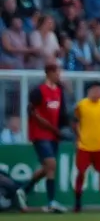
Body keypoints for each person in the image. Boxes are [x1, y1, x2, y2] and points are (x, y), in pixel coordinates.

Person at [25, 62, 67, 212]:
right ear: (48, 73)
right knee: (51, 164)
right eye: (56, 72)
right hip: (40, 133)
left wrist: (63, 129)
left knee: (48, 167)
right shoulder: (38, 91)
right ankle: (51, 202)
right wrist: (51, 127)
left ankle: (23, 191)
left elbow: (62, 114)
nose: (59, 75)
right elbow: (32, 113)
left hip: (53, 135)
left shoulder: (59, 91)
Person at [73, 81, 100, 212]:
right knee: (81, 173)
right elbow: (75, 121)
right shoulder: (81, 105)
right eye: (95, 90)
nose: (98, 92)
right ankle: (77, 203)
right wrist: (78, 137)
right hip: (84, 146)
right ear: (89, 91)